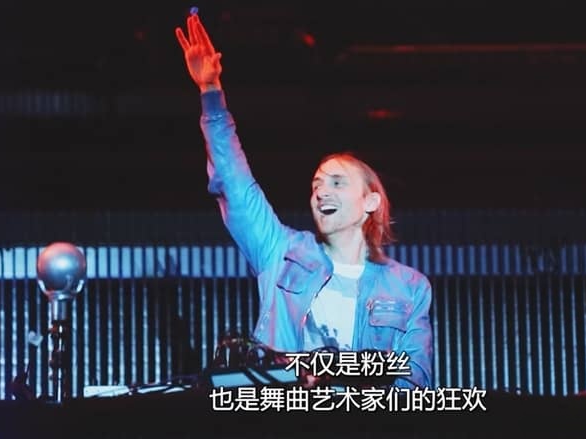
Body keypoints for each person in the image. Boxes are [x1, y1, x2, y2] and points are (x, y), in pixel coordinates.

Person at [175, 12, 433, 389]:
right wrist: (210, 91)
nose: (321, 192)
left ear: (371, 201)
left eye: (337, 182)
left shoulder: (408, 286)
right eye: (316, 185)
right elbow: (234, 183)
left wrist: (336, 374)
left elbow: (416, 381)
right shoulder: (281, 253)